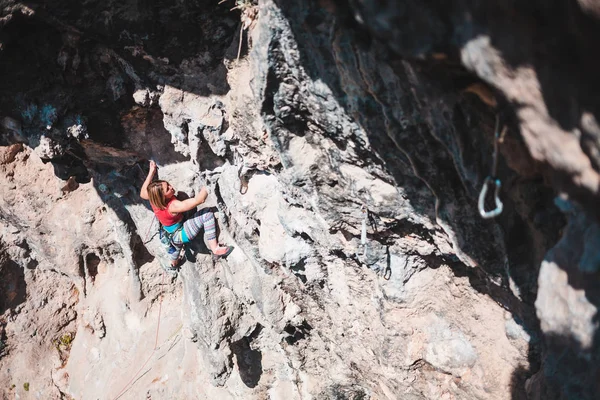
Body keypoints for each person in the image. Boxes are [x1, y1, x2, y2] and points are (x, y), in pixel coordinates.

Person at [140, 160, 233, 268]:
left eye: (168, 184)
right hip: (181, 234)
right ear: (162, 196)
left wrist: (151, 171)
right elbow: (199, 200)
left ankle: (173, 263)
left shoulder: (154, 199)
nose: (171, 187)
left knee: (176, 248)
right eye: (167, 189)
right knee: (207, 214)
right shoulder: (173, 206)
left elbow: (143, 193)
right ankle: (215, 249)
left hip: (169, 234)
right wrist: (209, 180)